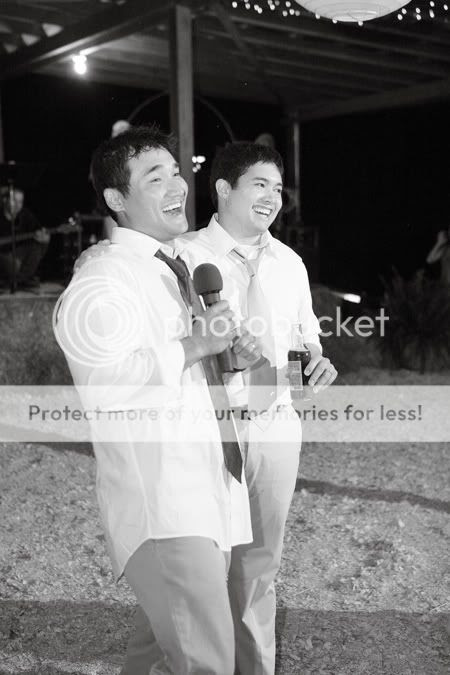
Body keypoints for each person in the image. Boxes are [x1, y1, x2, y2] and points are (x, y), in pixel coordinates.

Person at [54, 126, 263, 675]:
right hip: (166, 506)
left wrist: (230, 361)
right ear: (115, 198)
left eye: (177, 171)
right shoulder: (105, 276)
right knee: (206, 661)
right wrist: (197, 344)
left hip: (206, 492)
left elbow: (191, 375)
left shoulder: (176, 271)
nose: (178, 185)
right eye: (155, 177)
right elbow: (105, 387)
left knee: (157, 658)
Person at [180, 141, 338, 675]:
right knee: (201, 569)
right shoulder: (183, 257)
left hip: (276, 426)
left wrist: (315, 363)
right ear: (224, 188)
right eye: (260, 184)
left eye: (278, 187)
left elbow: (306, 337)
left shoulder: (290, 262)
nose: (273, 196)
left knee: (259, 568)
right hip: (207, 432)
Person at [0, 186, 50, 290]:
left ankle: (19, 280)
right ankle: (17, 280)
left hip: (19, 254)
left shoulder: (25, 214)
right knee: (12, 265)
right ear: (5, 200)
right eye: (14, 201)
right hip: (4, 255)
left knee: (39, 246)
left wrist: (44, 237)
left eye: (20, 202)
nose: (18, 205)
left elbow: (38, 229)